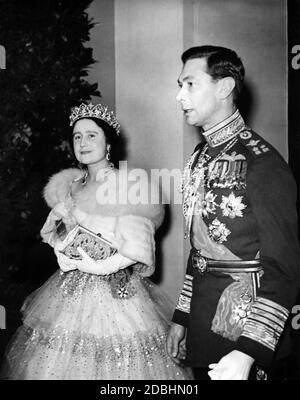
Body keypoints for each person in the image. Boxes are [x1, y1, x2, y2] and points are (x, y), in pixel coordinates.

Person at [1, 103, 192, 380]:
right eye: (77, 136)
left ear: (108, 143)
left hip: (116, 292)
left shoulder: (128, 185)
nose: (83, 142)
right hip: (69, 290)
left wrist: (107, 265)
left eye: (92, 135)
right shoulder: (70, 184)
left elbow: (138, 244)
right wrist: (63, 250)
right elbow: (59, 232)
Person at [166, 45, 300, 380]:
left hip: (245, 332)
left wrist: (248, 352)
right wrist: (183, 317)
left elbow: (283, 270)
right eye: (179, 85)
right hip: (202, 324)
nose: (180, 96)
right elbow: (200, 249)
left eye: (190, 85)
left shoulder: (263, 163)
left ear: (224, 87)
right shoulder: (199, 156)